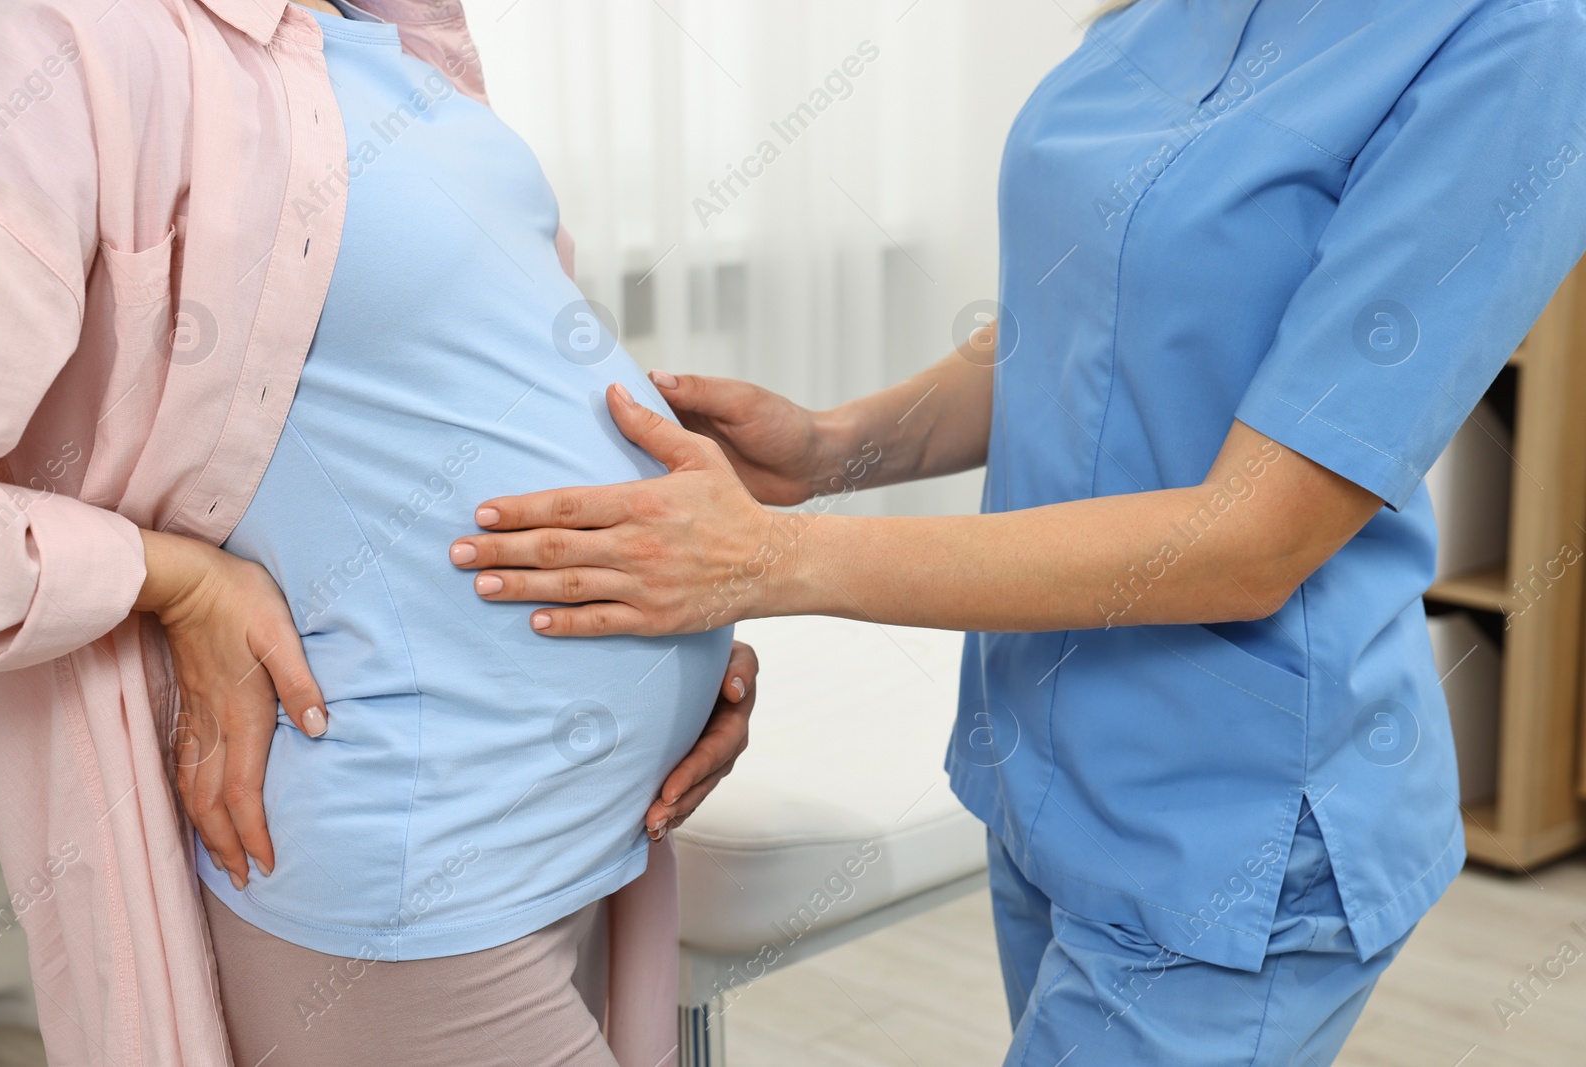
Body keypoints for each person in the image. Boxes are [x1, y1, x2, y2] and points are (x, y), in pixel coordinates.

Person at [454, 0, 1586, 1062]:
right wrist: (831, 446)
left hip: (1231, 824)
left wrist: (769, 559)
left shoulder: (1513, 40)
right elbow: (1081, 315)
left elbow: (1255, 539)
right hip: (1041, 760)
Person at [0, 0, 755, 1063]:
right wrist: (176, 580)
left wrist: (684, 613)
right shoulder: (53, 39)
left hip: (581, 820)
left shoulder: (383, 38)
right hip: (408, 848)